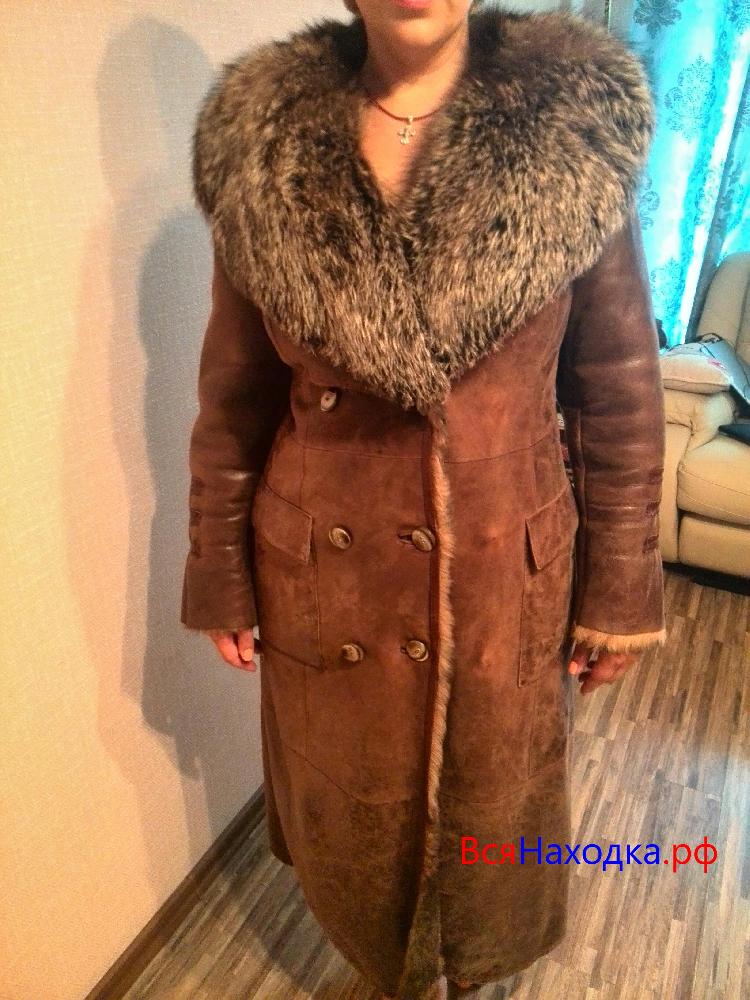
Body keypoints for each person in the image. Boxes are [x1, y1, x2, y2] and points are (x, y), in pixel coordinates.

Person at [179, 2, 667, 998]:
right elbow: (234, 401)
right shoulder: (259, 149)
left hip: (502, 570)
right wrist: (218, 567)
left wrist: (620, 589)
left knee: (491, 819)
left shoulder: (574, 133)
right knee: (353, 821)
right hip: (330, 579)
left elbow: (616, 392)